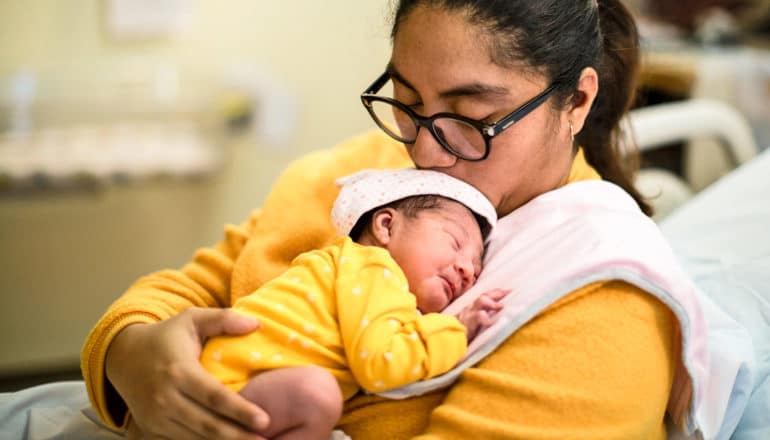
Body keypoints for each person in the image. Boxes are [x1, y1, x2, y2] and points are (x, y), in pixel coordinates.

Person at [81, 0, 709, 439]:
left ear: (576, 100)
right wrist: (132, 357)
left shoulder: (601, 295)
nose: (426, 152)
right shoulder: (365, 175)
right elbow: (193, 288)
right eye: (407, 104)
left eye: (470, 116)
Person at [197, 169, 506, 440]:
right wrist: (457, 329)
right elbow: (383, 362)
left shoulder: (348, 270)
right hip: (228, 391)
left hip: (231, 390)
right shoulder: (373, 268)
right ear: (386, 226)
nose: (467, 269)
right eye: (454, 243)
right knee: (316, 394)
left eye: (476, 267)